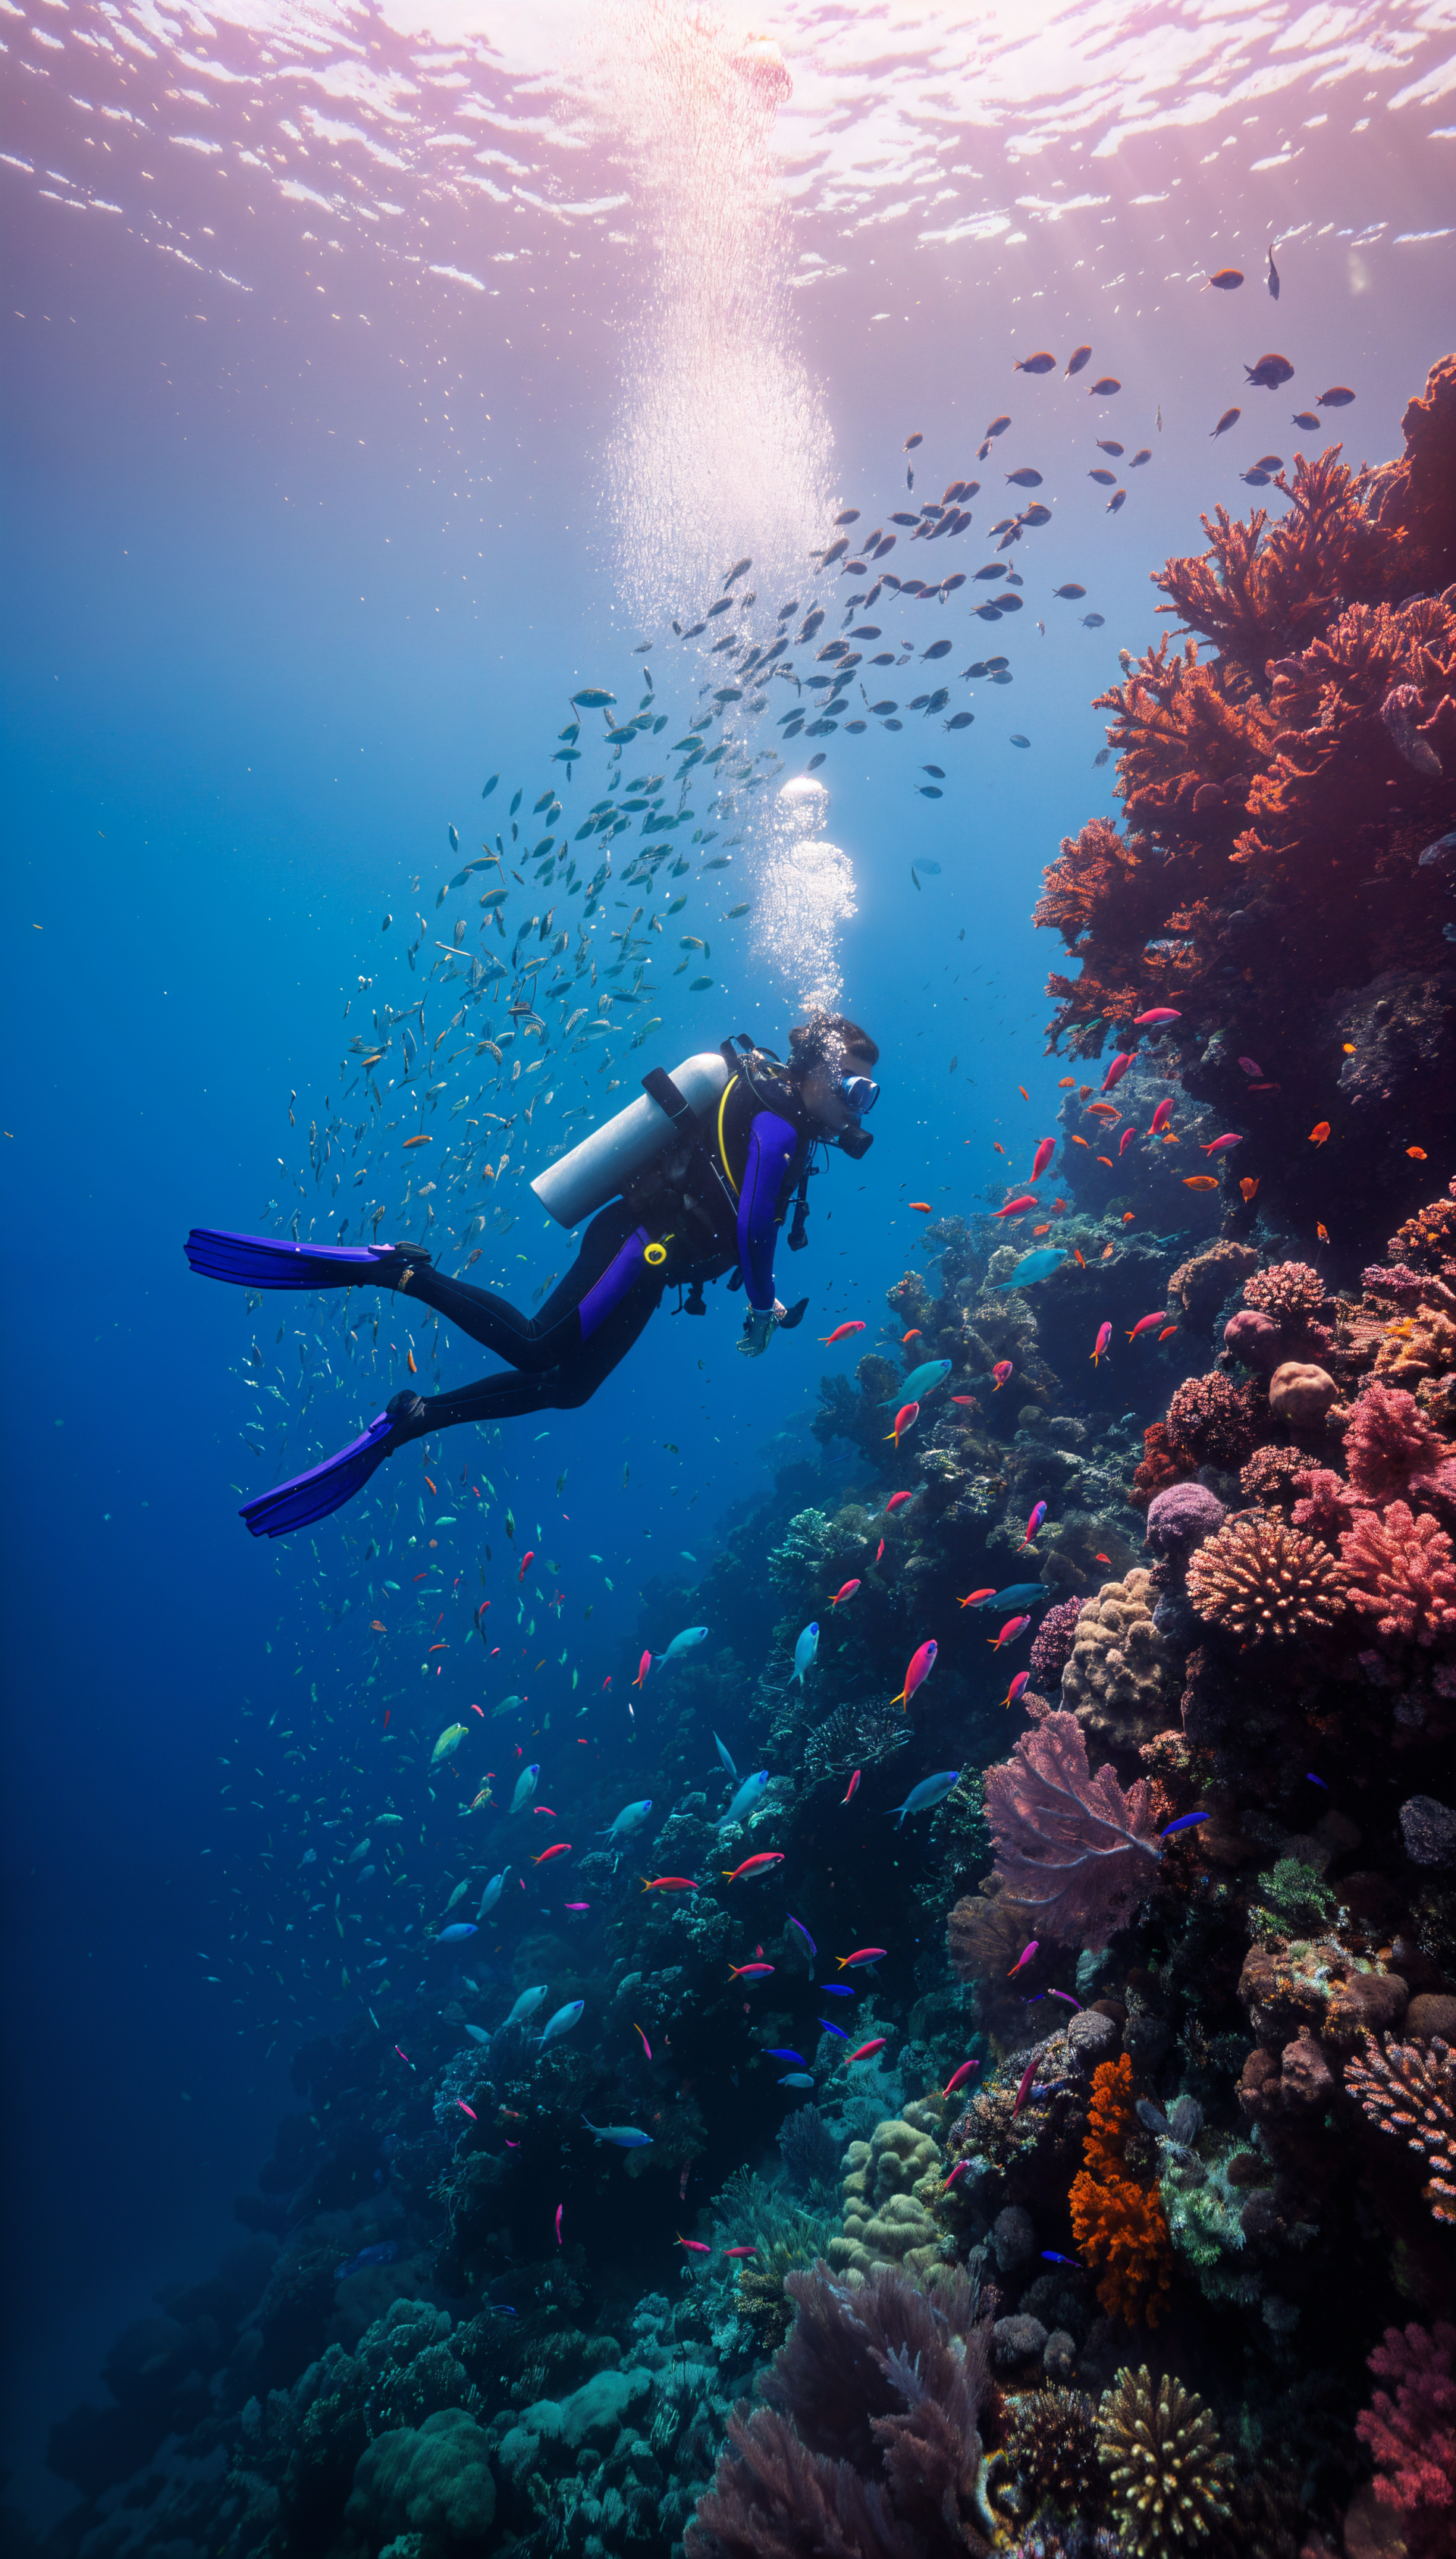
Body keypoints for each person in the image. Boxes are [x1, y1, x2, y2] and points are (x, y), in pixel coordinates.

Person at [187, 1013, 880, 1537]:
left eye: (867, 1094)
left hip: (653, 1269)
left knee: (570, 1387)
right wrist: (761, 1307)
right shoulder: (781, 1122)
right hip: (638, 1246)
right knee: (535, 1346)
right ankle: (398, 1271)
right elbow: (755, 1227)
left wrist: (761, 1293)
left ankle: (412, 1420)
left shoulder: (786, 1120)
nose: (856, 1107)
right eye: (853, 1088)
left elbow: (741, 1218)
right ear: (813, 1073)